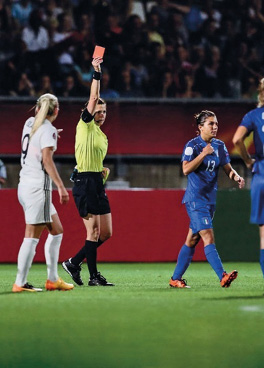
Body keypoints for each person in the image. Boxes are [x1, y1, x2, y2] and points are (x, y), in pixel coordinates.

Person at [170, 110, 245, 288]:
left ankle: (175, 279)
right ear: (200, 127)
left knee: (192, 240)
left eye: (216, 123)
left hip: (210, 200)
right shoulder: (192, 146)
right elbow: (186, 169)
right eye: (211, 123)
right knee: (208, 237)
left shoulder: (219, 145)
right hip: (196, 200)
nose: (215, 127)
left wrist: (236, 177)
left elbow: (227, 167)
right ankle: (223, 276)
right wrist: (203, 154)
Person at [12, 93, 74, 292]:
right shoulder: (48, 130)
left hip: (25, 186)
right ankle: (20, 283)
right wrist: (61, 186)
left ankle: (52, 279)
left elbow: (37, 138)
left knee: (57, 231)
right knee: (31, 236)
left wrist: (52, 133)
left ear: (37, 109)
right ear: (56, 111)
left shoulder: (29, 122)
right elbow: (47, 160)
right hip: (39, 188)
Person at [62, 56, 114, 286]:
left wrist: (102, 170)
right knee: (92, 233)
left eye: (104, 111)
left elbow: (91, 157)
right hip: (84, 182)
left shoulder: (102, 136)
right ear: (90, 110)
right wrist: (96, 72)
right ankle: (93, 276)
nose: (101, 113)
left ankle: (74, 262)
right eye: (98, 110)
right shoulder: (84, 125)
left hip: (96, 181)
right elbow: (93, 96)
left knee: (106, 233)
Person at [232, 77, 264, 279]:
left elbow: (236, 140)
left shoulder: (253, 115)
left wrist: (248, 161)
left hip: (261, 172)